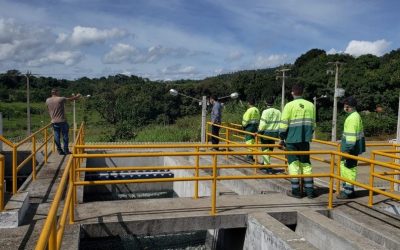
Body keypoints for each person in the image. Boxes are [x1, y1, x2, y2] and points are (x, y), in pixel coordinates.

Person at [279, 84, 316, 198]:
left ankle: (296, 192)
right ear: (302, 92)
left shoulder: (289, 105)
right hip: (305, 140)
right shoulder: (311, 105)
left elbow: (284, 124)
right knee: (306, 164)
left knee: (293, 164)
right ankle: (310, 191)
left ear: (292, 93)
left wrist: (282, 138)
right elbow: (313, 124)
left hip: (291, 140)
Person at [337, 96, 366, 199]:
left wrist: (346, 150)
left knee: (349, 169)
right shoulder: (355, 116)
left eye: (345, 105)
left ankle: (348, 192)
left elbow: (351, 137)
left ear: (348, 106)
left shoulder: (352, 118)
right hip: (352, 148)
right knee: (347, 168)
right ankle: (349, 189)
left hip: (350, 149)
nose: (344, 107)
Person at [46, 88, 81, 155]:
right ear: (56, 92)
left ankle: (59, 150)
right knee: (65, 136)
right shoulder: (60, 99)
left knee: (56, 136)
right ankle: (66, 150)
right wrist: (77, 96)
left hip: (53, 121)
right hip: (62, 121)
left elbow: (48, 109)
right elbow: (71, 99)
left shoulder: (47, 100)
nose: (59, 93)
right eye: (58, 92)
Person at [258, 97, 281, 174]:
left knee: (264, 149)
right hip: (274, 133)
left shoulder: (265, 112)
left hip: (266, 133)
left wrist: (259, 131)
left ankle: (266, 165)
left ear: (265, 102)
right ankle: (266, 162)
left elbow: (263, 124)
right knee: (270, 148)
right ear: (273, 102)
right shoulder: (278, 112)